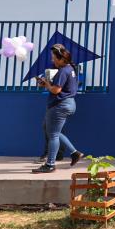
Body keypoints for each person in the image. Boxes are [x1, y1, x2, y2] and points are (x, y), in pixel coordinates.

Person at [32, 44, 85, 173]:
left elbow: (56, 90)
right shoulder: (70, 68)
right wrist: (46, 83)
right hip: (68, 103)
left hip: (60, 105)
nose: (52, 60)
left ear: (61, 59)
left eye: (54, 58)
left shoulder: (63, 71)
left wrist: (47, 84)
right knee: (51, 130)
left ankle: (50, 164)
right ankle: (74, 153)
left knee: (53, 134)